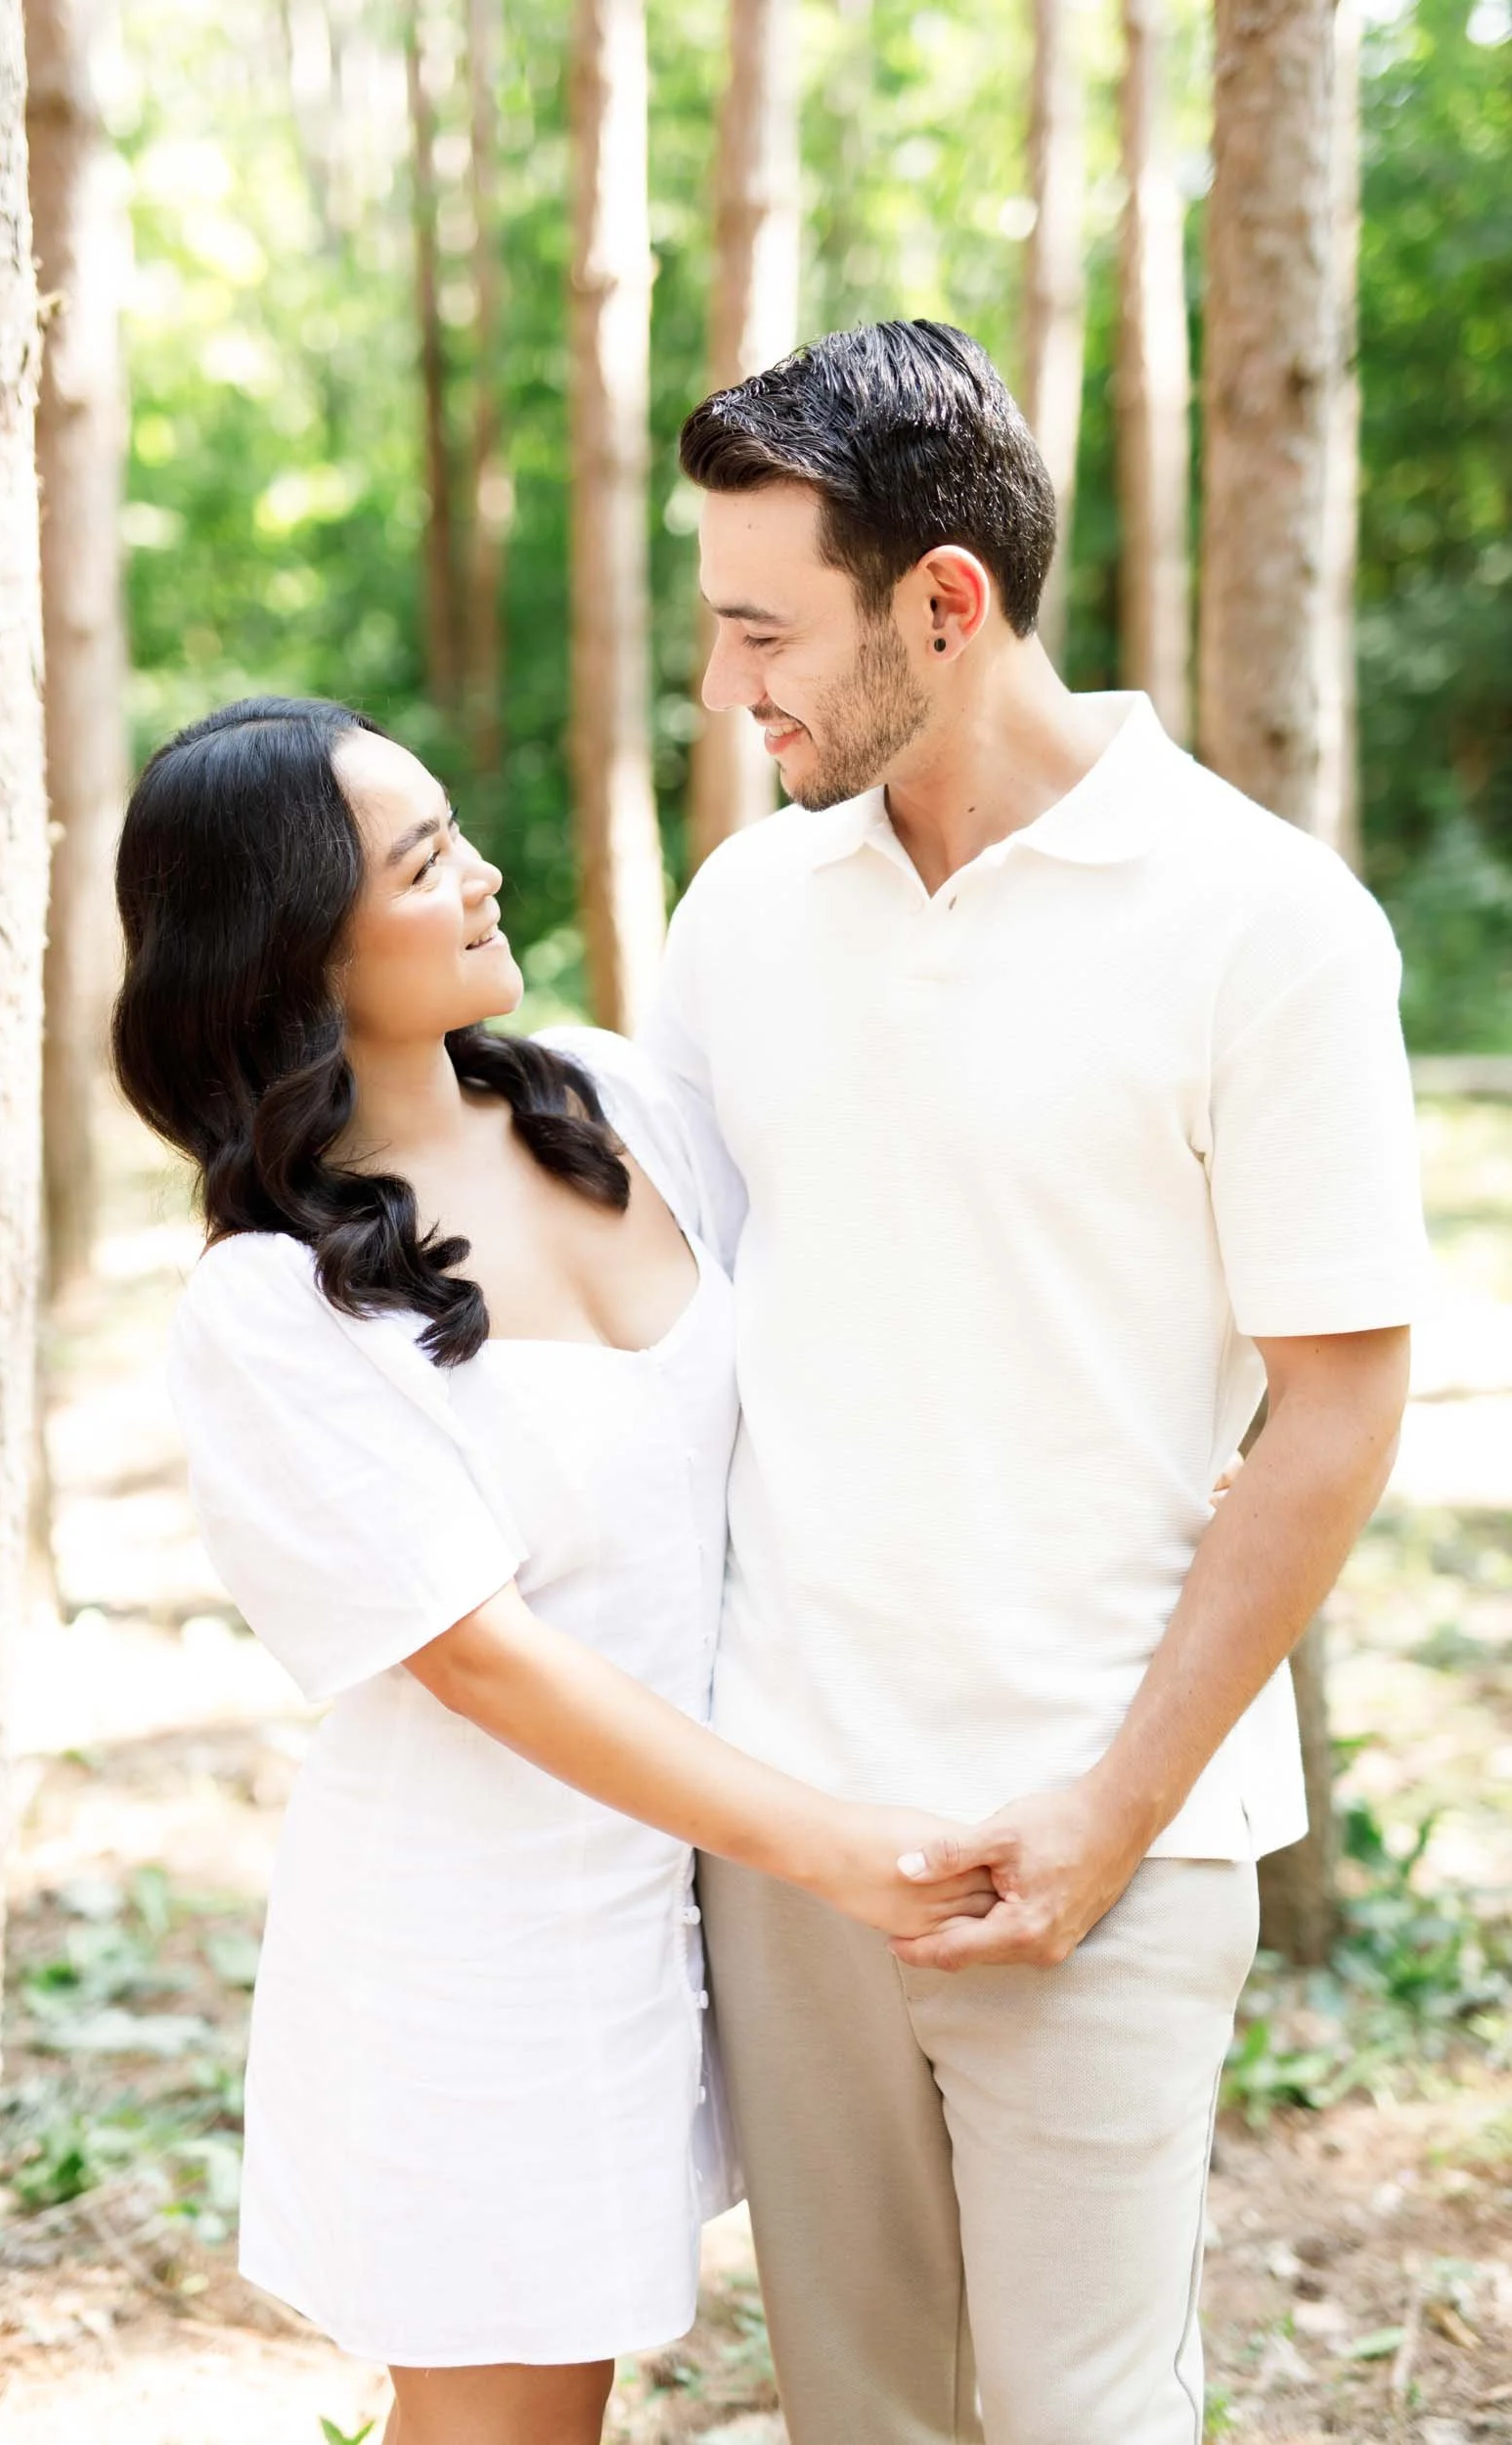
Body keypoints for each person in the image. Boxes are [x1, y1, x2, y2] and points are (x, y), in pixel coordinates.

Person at [647, 320, 1430, 2445]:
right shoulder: (737, 913)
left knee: (1084, 2419)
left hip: (1099, 1830)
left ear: (944, 600)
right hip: (794, 1815)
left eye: (759, 628)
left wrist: (1111, 1813)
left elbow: (1338, 1410)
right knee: (861, 2415)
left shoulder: (1266, 924)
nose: (730, 687)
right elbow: (662, 1326)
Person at [111, 696, 993, 2445]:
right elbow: (481, 1658)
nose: (482, 872)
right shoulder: (275, 1304)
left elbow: (868, 1307)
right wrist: (832, 1849)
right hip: (474, 1949)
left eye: (454, 830)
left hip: (690, 1901)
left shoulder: (611, 1101)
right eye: (423, 859)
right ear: (297, 944)